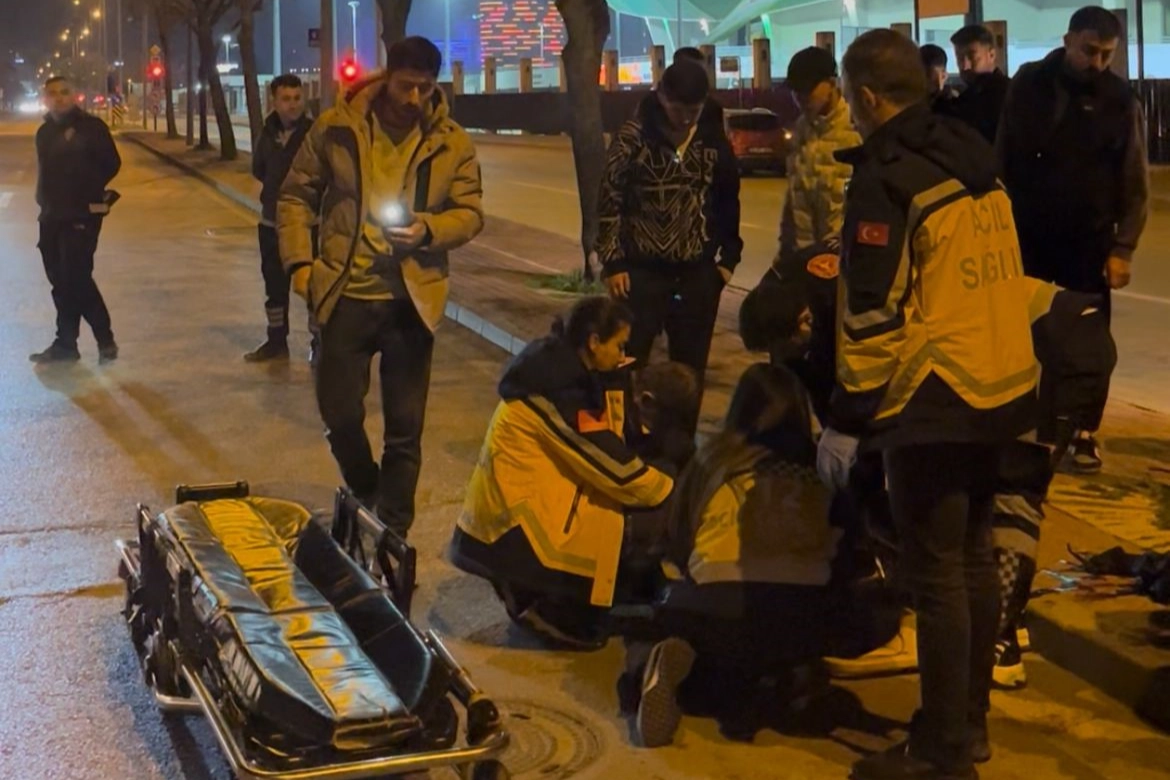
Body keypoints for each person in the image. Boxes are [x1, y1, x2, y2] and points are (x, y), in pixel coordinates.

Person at [825, 29, 1040, 780]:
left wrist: (848, 419)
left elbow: (871, 315)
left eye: (851, 101)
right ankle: (967, 726)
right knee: (973, 559)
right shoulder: (969, 153)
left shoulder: (887, 178)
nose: (851, 115)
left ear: (868, 97)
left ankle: (941, 751)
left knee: (938, 574)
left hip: (934, 393)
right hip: (1000, 383)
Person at [621, 363, 890, 748]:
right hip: (805, 613)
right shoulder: (819, 466)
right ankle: (788, 673)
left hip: (717, 603)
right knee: (853, 617)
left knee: (652, 620)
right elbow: (849, 554)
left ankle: (656, 665)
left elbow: (679, 540)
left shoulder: (714, 458)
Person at [278, 36, 484, 538]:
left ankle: (393, 533)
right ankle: (368, 490)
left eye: (425, 88)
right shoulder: (338, 126)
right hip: (345, 291)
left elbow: (471, 212)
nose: (414, 98)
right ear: (387, 77)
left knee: (405, 431)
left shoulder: (451, 140)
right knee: (339, 415)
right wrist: (300, 266)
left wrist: (428, 230)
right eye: (406, 85)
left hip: (412, 299)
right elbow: (295, 195)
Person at [450, 297, 675, 648]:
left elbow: (616, 439)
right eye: (619, 345)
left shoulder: (561, 370)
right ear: (594, 342)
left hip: (512, 515)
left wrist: (614, 381)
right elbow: (614, 468)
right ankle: (540, 600)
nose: (624, 354)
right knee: (640, 506)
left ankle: (547, 598)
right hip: (514, 528)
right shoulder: (558, 390)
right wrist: (673, 491)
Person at [997, 6, 1149, 474]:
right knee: (1025, 337)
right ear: (1067, 41)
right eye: (1090, 51)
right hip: (1027, 238)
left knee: (1087, 345)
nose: (1098, 62)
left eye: (1107, 54)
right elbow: (1003, 154)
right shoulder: (1028, 84)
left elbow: (1134, 179)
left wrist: (1123, 248)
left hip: (1088, 244)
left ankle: (1084, 430)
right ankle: (1031, 425)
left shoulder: (1119, 99)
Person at [596, 59, 742, 413]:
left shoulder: (712, 141)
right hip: (639, 274)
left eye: (694, 110)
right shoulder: (633, 138)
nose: (686, 119)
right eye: (678, 110)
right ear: (661, 97)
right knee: (628, 364)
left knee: (689, 375)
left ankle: (680, 441)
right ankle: (626, 435)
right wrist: (613, 262)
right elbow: (609, 200)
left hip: (698, 275)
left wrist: (727, 262)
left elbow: (728, 200)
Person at [30, 75, 121, 364]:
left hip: (81, 215)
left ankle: (104, 338)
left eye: (64, 92)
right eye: (52, 93)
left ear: (75, 95)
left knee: (77, 278)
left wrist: (87, 189)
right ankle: (66, 345)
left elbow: (112, 164)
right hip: (51, 215)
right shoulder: (44, 132)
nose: (58, 98)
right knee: (60, 281)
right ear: (45, 98)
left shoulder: (92, 128)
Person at [246, 74, 315, 363]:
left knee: (313, 286)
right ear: (274, 101)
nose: (293, 105)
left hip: (307, 226)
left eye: (297, 98)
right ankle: (276, 341)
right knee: (274, 287)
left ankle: (319, 344)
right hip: (271, 224)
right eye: (286, 99)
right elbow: (259, 169)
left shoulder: (314, 134)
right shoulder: (267, 134)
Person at [778, 47, 861, 266]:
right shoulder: (801, 130)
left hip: (843, 261)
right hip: (804, 259)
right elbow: (794, 200)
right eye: (795, 91)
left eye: (807, 90)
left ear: (832, 83)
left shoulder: (857, 130)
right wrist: (785, 253)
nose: (800, 98)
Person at [937, 25, 1010, 145]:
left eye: (972, 57)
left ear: (991, 55)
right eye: (960, 59)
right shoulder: (970, 94)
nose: (965, 66)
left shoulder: (1004, 95)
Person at [672, 46, 725, 129]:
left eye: (702, 72)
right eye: (692, 71)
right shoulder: (656, 105)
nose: (699, 77)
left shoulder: (711, 107)